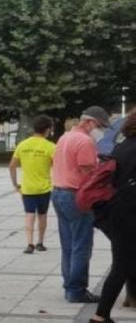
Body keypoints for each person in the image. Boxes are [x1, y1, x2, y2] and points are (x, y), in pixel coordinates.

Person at [50, 105, 111, 304]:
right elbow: (88, 173)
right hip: (75, 196)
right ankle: (77, 290)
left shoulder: (65, 137)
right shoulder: (85, 141)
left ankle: (69, 285)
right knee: (81, 245)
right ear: (90, 122)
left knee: (68, 243)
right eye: (100, 126)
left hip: (58, 192)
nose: (100, 131)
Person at [89, 108, 136, 323]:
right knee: (122, 266)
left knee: (125, 263)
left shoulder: (123, 146)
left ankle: (103, 316)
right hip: (127, 215)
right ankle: (100, 317)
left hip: (117, 213)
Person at [9, 116, 55, 254]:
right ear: (47, 130)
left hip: (27, 188)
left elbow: (12, 166)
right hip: (44, 187)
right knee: (42, 215)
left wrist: (15, 184)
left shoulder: (22, 145)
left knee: (29, 215)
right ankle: (40, 242)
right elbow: (57, 166)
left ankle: (29, 243)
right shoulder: (51, 147)